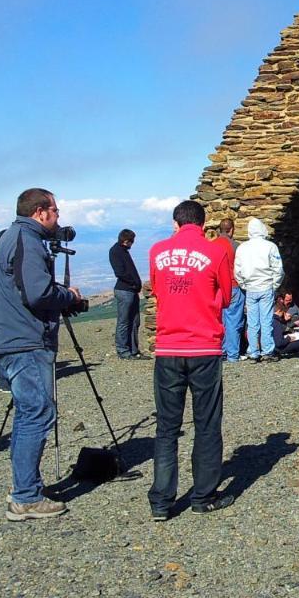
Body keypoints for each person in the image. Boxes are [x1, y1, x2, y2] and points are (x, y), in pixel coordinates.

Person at [0, 188, 82, 520]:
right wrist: (68, 295)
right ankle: (25, 496)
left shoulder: (12, 237)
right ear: (40, 211)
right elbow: (39, 294)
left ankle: (27, 487)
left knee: (28, 412)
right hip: (23, 340)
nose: (58, 216)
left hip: (6, 337)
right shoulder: (27, 241)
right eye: (55, 210)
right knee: (36, 413)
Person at [148, 199, 236, 520]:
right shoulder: (217, 252)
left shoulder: (157, 251)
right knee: (207, 424)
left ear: (175, 223)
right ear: (203, 224)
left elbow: (157, 290)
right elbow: (226, 296)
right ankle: (203, 495)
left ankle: (161, 501)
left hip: (168, 348)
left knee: (167, 427)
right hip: (204, 348)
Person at [234, 217, 283, 362]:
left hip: (251, 288)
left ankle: (253, 351)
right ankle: (267, 350)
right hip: (266, 286)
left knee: (252, 321)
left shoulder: (242, 248)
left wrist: (244, 284)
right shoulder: (270, 246)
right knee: (266, 320)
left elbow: (237, 270)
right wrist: (274, 285)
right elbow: (278, 268)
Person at [210, 219, 245, 362]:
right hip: (233, 286)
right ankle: (232, 354)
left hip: (215, 288)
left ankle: (220, 351)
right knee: (234, 321)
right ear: (231, 230)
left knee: (219, 320)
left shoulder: (211, 246)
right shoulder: (236, 246)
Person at [108, 229, 143, 360]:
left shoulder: (122, 251)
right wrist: (133, 283)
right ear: (126, 241)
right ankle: (123, 350)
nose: (132, 244)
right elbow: (120, 272)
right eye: (131, 242)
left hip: (130, 290)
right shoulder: (116, 251)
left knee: (134, 321)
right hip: (125, 290)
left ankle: (133, 350)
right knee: (124, 321)